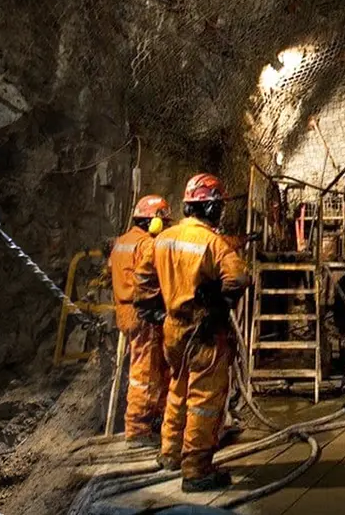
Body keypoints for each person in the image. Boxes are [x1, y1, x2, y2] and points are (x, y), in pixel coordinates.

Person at [134, 173, 250, 493]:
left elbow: (143, 278)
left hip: (173, 328)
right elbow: (239, 279)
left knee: (179, 386)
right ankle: (197, 469)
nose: (221, 212)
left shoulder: (163, 238)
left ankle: (170, 452)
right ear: (210, 207)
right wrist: (218, 306)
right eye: (219, 206)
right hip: (204, 330)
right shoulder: (213, 242)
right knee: (205, 398)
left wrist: (153, 308)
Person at [110, 195, 173, 447]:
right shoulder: (147, 245)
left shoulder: (121, 242)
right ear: (154, 221)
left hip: (124, 310)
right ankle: (137, 429)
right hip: (142, 312)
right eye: (163, 222)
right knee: (144, 372)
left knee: (152, 367)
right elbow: (154, 278)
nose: (165, 227)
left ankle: (155, 418)